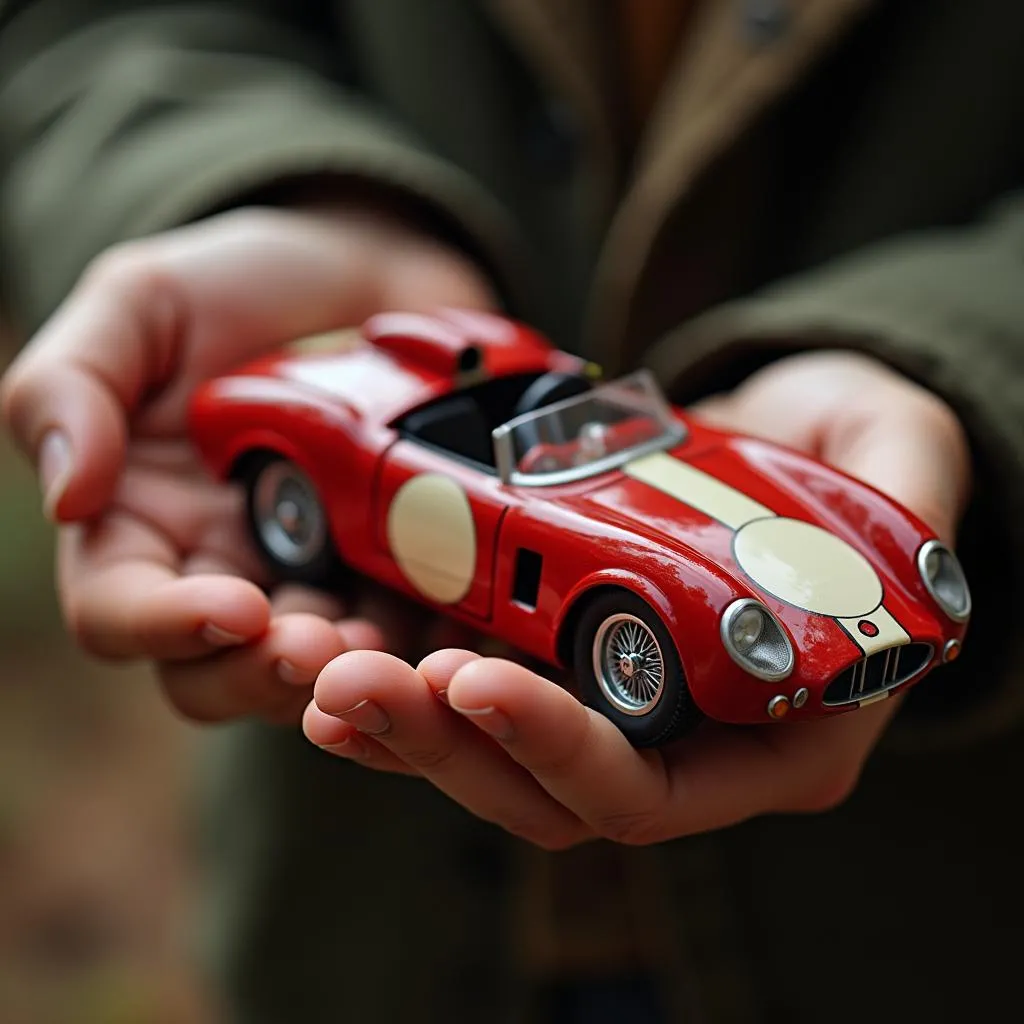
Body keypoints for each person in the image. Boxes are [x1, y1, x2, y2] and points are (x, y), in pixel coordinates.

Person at [1, 1, 1022, 1020]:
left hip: (909, 926)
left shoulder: (634, 430)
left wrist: (943, 360)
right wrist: (264, 190)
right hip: (369, 921)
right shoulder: (323, 429)